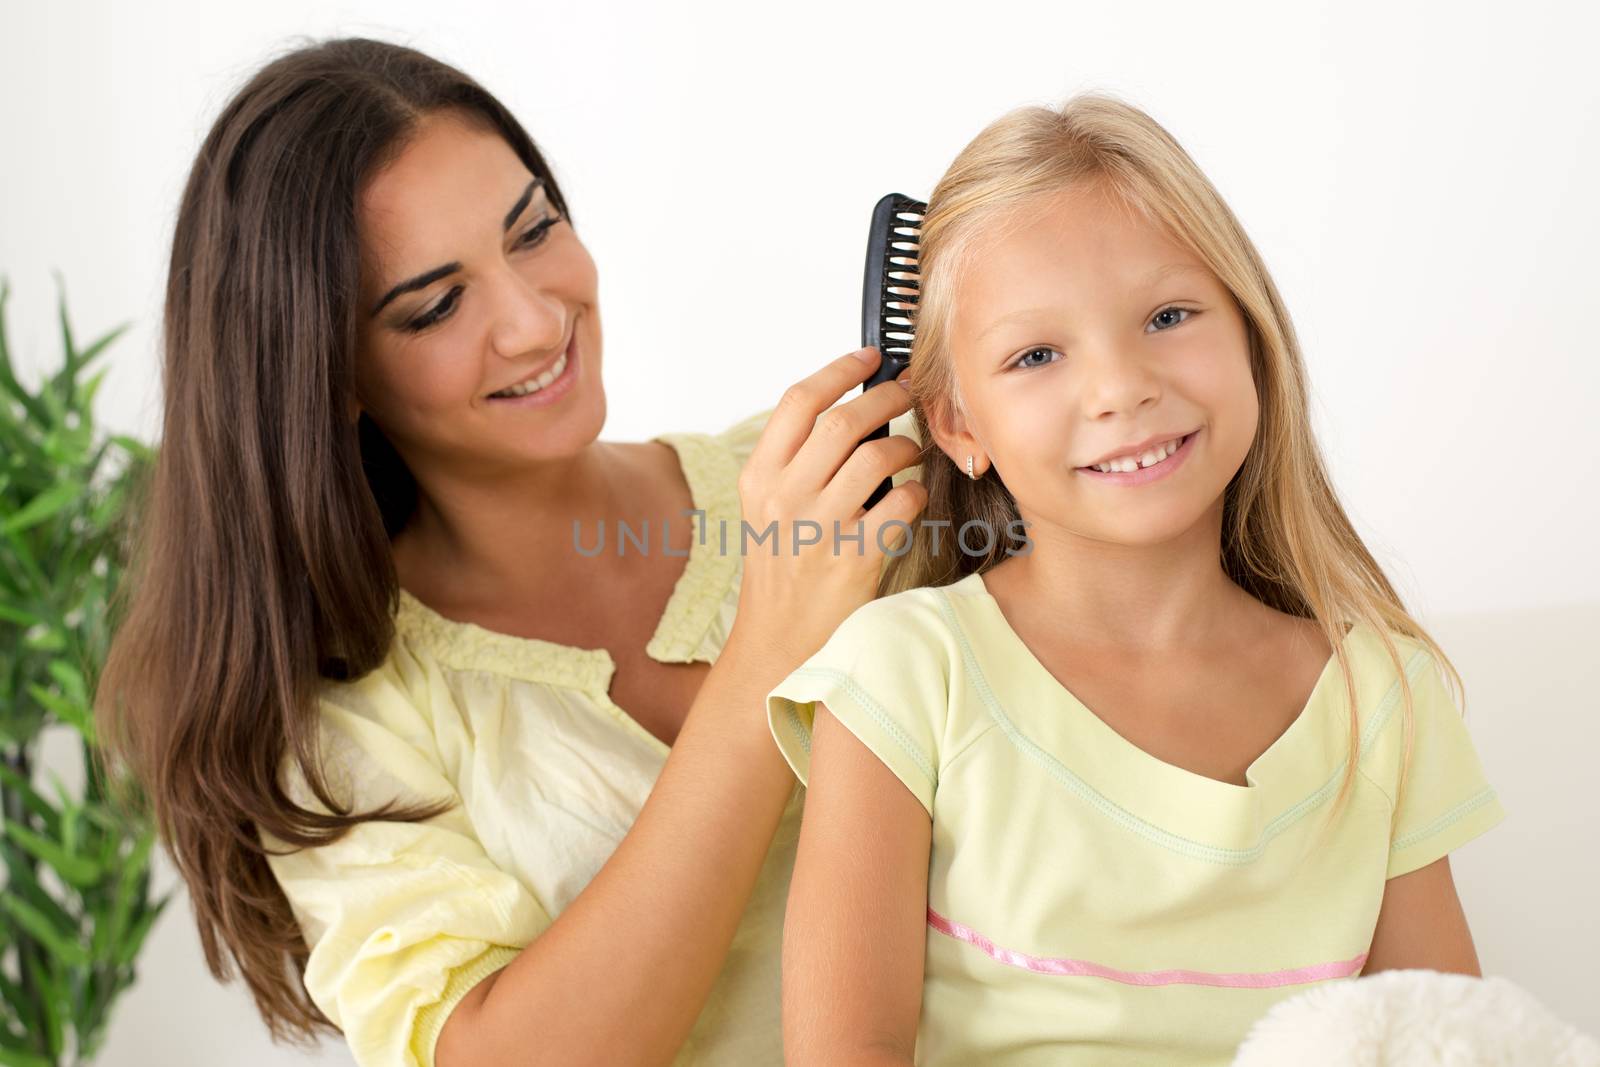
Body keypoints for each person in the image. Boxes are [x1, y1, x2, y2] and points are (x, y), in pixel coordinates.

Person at [92, 36, 927, 1067]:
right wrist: (767, 652)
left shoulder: (828, 483)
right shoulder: (350, 717)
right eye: (436, 305)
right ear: (329, 370)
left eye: (532, 231)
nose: (534, 323)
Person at [764, 93, 1506, 1066]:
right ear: (958, 427)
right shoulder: (908, 675)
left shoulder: (1382, 697)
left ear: (1250, 333)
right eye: (1035, 354)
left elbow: (1449, 1040)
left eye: (1167, 315)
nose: (1121, 387)